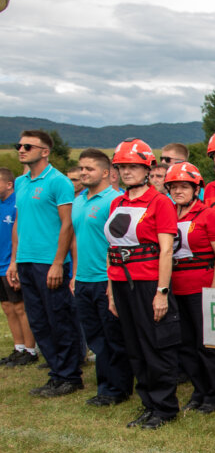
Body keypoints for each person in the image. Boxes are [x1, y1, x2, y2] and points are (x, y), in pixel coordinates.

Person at [104, 138, 180, 428]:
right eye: (122, 167)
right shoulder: (117, 202)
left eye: (133, 166)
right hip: (121, 284)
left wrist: (162, 291)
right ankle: (148, 403)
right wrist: (111, 291)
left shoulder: (160, 202)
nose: (127, 172)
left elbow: (166, 250)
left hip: (148, 283)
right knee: (134, 345)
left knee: (155, 345)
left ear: (147, 168)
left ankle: (164, 407)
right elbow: (112, 249)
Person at [6, 130, 83, 397]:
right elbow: (19, 222)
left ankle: (70, 376)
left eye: (28, 146)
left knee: (58, 318)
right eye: (19, 145)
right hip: (26, 261)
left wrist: (58, 262)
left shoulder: (58, 181)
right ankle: (56, 372)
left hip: (49, 262)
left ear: (45, 151)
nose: (21, 149)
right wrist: (14, 261)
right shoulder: (20, 181)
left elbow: (67, 224)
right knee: (38, 322)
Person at [164, 162, 215, 413]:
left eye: (184, 186)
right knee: (186, 344)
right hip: (176, 287)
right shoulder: (167, 213)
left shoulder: (208, 214)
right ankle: (199, 390)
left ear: (195, 188)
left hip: (202, 285)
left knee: (207, 345)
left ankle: (214, 393)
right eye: (173, 187)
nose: (178, 191)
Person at [70, 150, 131, 406]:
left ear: (106, 173)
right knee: (95, 336)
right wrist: (74, 274)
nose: (84, 173)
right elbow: (76, 238)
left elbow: (118, 244)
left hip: (105, 279)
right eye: (81, 168)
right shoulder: (79, 200)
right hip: (83, 278)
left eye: (89, 169)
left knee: (112, 336)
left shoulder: (115, 201)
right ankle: (105, 383)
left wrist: (110, 283)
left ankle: (116, 388)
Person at [0, 167, 37, 367]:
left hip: (11, 264)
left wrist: (15, 261)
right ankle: (19, 347)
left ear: (9, 184)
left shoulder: (18, 204)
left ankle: (31, 350)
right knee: (7, 307)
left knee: (21, 307)